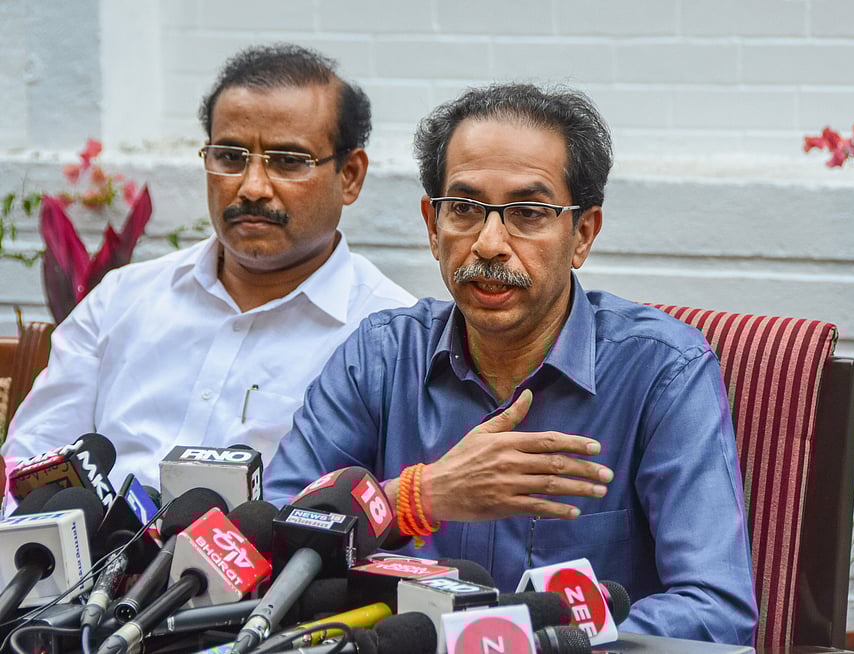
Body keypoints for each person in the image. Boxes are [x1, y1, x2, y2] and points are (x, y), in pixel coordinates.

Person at [264, 82, 757, 644]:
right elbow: (274, 541)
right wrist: (416, 499)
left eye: (528, 212)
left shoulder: (660, 373)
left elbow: (715, 612)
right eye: (466, 210)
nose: (490, 243)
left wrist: (516, 643)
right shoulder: (380, 356)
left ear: (583, 235)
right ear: (433, 225)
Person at [1, 44, 414, 491]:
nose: (252, 187)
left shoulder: (390, 338)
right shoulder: (122, 300)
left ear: (350, 175)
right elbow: (28, 469)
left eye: (289, 161)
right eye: (230, 157)